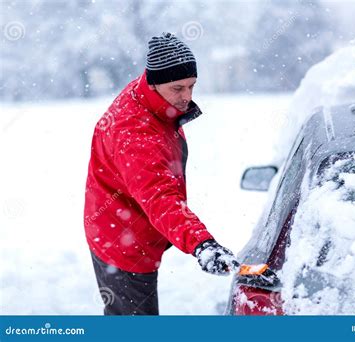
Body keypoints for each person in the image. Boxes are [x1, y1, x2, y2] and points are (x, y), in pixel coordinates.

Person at [84, 32, 239, 315]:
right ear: (153, 84)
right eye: (178, 88)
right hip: (120, 238)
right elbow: (159, 197)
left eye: (192, 86)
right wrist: (201, 243)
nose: (187, 97)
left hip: (127, 220)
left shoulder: (148, 96)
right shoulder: (135, 134)